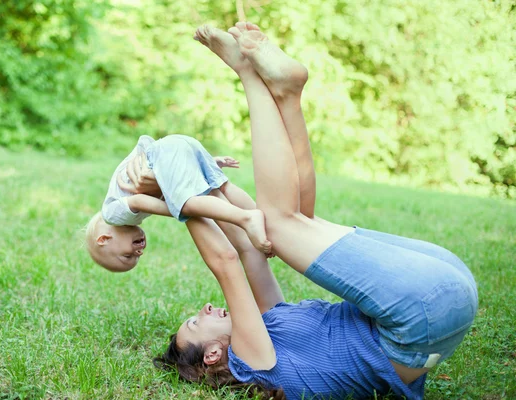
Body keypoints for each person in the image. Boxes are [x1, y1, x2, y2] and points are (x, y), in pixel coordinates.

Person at [150, 22, 478, 400]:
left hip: (442, 296)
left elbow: (246, 247)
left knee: (292, 223)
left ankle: (288, 96)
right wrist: (181, 199)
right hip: (417, 318)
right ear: (212, 354)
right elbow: (225, 261)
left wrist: (210, 186)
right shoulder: (254, 363)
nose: (204, 308)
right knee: (281, 224)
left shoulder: (275, 326)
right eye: (195, 321)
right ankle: (250, 76)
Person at [86, 133, 272, 272]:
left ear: (104, 239)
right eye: (136, 258)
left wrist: (176, 208)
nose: (139, 253)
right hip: (177, 147)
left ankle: (246, 218)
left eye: (128, 255)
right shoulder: (125, 217)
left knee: (187, 204)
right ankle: (270, 227)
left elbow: (139, 200)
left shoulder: (111, 215)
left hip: (163, 155)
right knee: (223, 187)